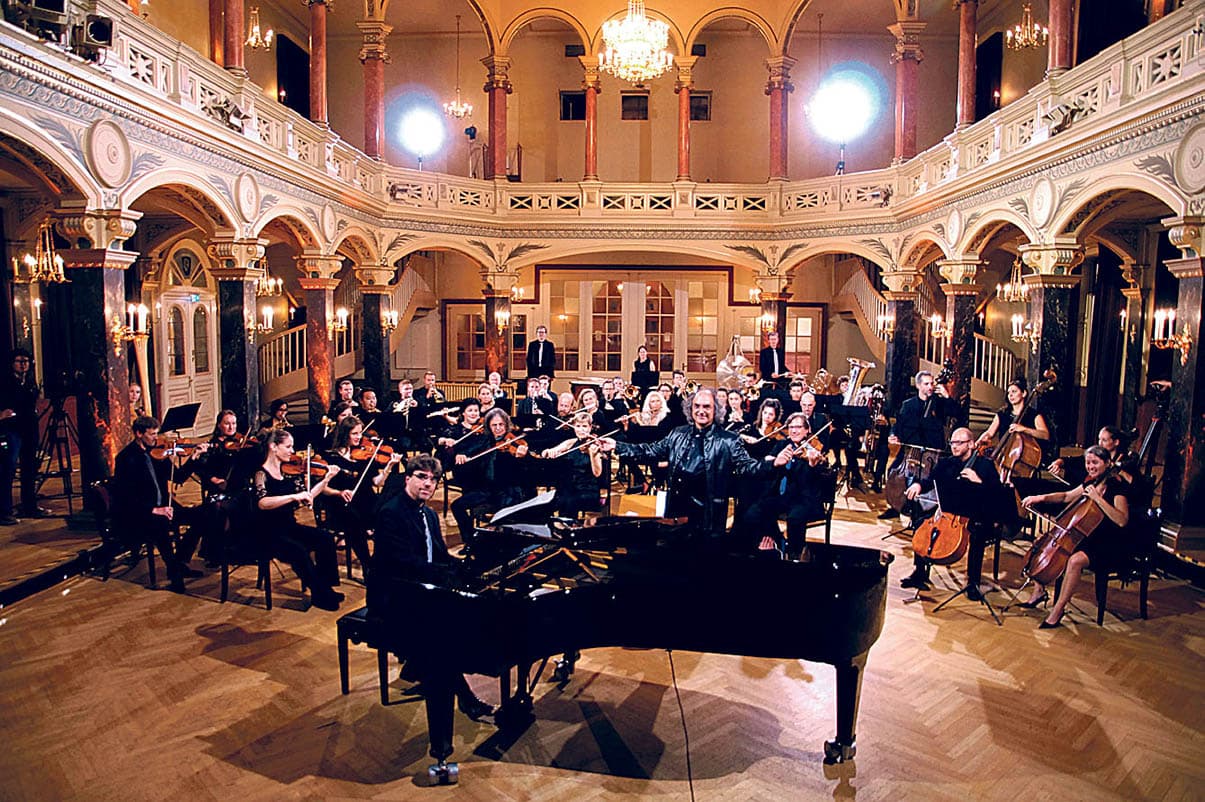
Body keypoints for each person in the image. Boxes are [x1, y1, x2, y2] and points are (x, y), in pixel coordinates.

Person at [369, 454, 496, 769]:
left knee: (449, 630)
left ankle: (437, 679)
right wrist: (443, 577)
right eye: (422, 477)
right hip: (393, 596)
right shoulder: (391, 513)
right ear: (408, 477)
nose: (428, 484)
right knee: (442, 638)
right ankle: (455, 712)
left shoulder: (427, 515)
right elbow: (402, 566)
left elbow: (438, 556)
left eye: (433, 480)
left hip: (421, 590)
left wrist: (468, 567)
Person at [601, 387, 767, 538]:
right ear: (691, 408)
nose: (701, 411)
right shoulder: (678, 433)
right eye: (697, 406)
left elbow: (748, 467)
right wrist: (617, 445)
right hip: (677, 511)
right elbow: (651, 451)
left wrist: (773, 465)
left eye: (707, 407)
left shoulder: (729, 440)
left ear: (715, 409)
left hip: (708, 515)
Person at [1020, 445, 1131, 629]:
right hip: (1088, 536)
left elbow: (1121, 520)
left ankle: (1058, 609)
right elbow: (1066, 496)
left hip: (1108, 542)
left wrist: (1098, 499)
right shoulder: (1090, 483)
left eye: (1095, 462)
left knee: (1074, 561)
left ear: (1107, 463)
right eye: (1088, 462)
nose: (1090, 466)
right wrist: (1039, 498)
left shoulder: (1117, 488)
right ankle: (1039, 591)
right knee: (1042, 542)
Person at [899, 427, 1006, 596]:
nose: (954, 446)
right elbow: (930, 480)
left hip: (977, 514)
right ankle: (919, 573)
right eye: (952, 443)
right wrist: (918, 485)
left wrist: (977, 481)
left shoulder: (984, 465)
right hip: (949, 513)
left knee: (977, 534)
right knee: (919, 523)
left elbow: (996, 494)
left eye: (959, 443)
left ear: (971, 444)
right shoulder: (947, 463)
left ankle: (973, 582)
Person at [110, 415, 211, 592]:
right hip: (141, 513)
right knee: (160, 526)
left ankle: (180, 562)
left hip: (166, 505)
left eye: (157, 434)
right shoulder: (126, 459)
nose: (156, 439)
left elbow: (178, 476)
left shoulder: (159, 454)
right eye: (152, 435)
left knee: (201, 516)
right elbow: (125, 497)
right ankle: (175, 575)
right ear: (139, 434)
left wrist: (194, 457)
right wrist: (154, 510)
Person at [251, 429, 344, 610]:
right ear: (273, 447)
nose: (292, 451)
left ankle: (324, 587)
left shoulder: (288, 474)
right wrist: (292, 497)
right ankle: (320, 593)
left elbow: (308, 496)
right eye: (288, 446)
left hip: (288, 527)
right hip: (267, 532)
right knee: (298, 550)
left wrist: (326, 479)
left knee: (324, 538)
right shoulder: (260, 474)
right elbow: (262, 503)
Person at [744, 413, 832, 558]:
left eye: (798, 427)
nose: (794, 431)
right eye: (791, 427)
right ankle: (772, 543)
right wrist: (774, 461)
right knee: (753, 512)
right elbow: (769, 463)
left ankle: (795, 554)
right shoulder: (782, 445)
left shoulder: (812, 449)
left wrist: (811, 465)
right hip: (782, 496)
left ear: (806, 430)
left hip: (803, 498)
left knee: (795, 518)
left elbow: (814, 483)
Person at [321, 416, 403, 572]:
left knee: (390, 514)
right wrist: (339, 492)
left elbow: (377, 482)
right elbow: (323, 488)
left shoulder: (364, 457)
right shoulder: (331, 457)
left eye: (360, 433)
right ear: (345, 434)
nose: (360, 437)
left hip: (366, 500)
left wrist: (389, 467)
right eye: (355, 434)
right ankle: (368, 566)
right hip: (341, 503)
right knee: (354, 521)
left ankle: (382, 559)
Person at [879, 370, 958, 520]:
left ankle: (923, 510)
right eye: (926, 383)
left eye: (932, 383)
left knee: (928, 477)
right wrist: (892, 435)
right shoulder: (908, 405)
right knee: (893, 471)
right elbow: (899, 425)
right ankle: (896, 506)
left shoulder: (939, 404)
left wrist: (947, 397)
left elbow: (957, 413)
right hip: (910, 449)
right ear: (918, 386)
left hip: (931, 452)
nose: (930, 386)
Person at [0, 349, 42, 522]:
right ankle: (4, 511)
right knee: (7, 469)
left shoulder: (30, 381)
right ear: (12, 363)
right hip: (12, 429)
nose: (23, 364)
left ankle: (29, 506)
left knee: (30, 469)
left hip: (29, 428)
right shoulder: (5, 382)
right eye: (19, 361)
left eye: (26, 361)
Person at [540, 412, 604, 519]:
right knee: (552, 501)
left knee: (569, 501)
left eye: (584, 426)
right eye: (578, 426)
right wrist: (548, 452)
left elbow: (597, 473)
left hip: (587, 489)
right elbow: (548, 451)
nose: (581, 429)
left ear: (590, 428)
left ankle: (570, 530)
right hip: (569, 487)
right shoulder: (571, 443)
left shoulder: (593, 446)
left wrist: (593, 455)